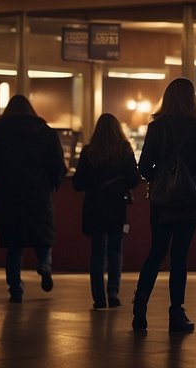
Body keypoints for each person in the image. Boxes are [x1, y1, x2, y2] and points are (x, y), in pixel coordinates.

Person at [133, 78, 196, 333]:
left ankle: (140, 303)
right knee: (179, 256)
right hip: (189, 200)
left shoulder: (156, 128)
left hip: (162, 201)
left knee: (156, 252)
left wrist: (163, 176)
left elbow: (144, 167)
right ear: (192, 99)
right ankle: (176, 313)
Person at [0, 95, 67, 303]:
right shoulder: (44, 131)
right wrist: (52, 184)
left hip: (8, 193)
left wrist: (3, 178)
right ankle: (44, 265)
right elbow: (58, 164)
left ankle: (15, 289)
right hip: (39, 192)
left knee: (13, 244)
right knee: (43, 235)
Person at [73, 113, 140, 310]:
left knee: (97, 252)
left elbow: (78, 183)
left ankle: (98, 297)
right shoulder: (124, 151)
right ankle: (113, 291)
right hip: (116, 206)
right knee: (115, 249)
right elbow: (134, 179)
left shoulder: (89, 152)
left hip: (94, 206)